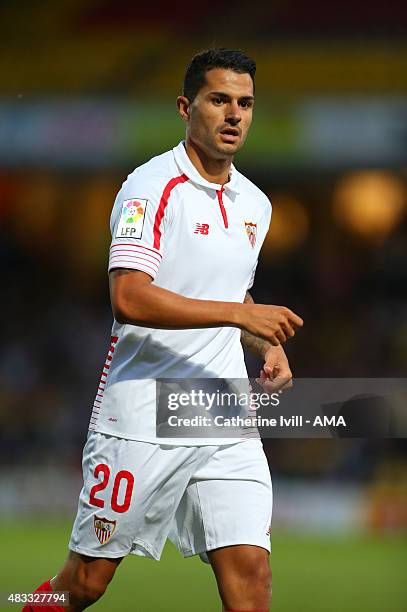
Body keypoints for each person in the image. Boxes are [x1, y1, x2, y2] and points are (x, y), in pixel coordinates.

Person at [23, 48, 303, 612]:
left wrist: (262, 339)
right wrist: (238, 316)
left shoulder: (256, 203)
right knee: (86, 582)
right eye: (219, 100)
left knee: (251, 572)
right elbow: (127, 296)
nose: (234, 115)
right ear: (185, 106)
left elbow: (229, 294)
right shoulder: (150, 188)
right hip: (142, 415)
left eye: (245, 104)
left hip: (222, 412)